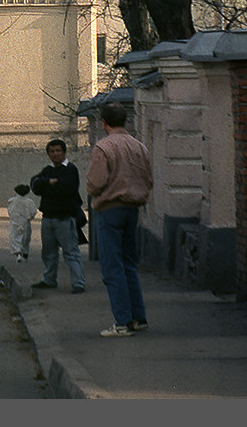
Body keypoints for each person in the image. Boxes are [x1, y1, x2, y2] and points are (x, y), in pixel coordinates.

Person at [86, 102, 154, 338]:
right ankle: (138, 317)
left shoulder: (104, 147)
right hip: (132, 208)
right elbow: (148, 177)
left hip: (110, 209)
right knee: (128, 265)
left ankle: (122, 322)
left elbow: (95, 182)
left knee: (112, 267)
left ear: (104, 123)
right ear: (125, 121)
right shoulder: (138, 146)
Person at [29, 138, 86, 292]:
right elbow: (35, 185)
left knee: (71, 253)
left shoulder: (70, 169)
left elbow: (66, 190)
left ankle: (78, 283)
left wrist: (46, 185)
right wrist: (50, 182)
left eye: (58, 151)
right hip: (48, 219)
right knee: (48, 253)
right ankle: (49, 280)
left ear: (64, 152)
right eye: (52, 151)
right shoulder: (47, 171)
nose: (55, 154)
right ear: (48, 154)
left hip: (65, 219)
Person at [7, 183, 38, 263]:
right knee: (25, 239)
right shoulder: (29, 202)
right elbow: (33, 211)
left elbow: (10, 211)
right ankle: (25, 253)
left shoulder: (12, 201)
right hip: (26, 223)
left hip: (15, 222)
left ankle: (18, 254)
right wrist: (30, 218)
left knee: (15, 238)